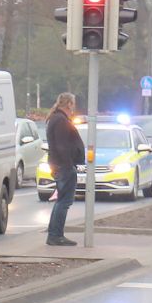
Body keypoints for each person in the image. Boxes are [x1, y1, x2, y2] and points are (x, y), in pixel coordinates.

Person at [45, 93, 85, 246]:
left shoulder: (56, 118)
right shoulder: (61, 120)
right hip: (63, 166)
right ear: (68, 104)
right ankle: (56, 235)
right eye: (73, 103)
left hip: (59, 164)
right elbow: (62, 145)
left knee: (61, 200)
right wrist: (69, 164)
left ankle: (54, 234)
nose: (73, 107)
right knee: (64, 201)